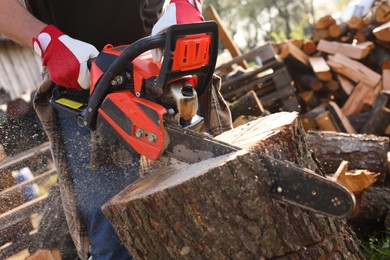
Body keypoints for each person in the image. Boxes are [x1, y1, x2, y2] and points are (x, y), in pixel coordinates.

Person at [0, 0, 206, 259]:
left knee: (208, 209)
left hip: (163, 60)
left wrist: (186, 5)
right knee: (114, 238)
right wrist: (46, 40)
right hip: (82, 80)